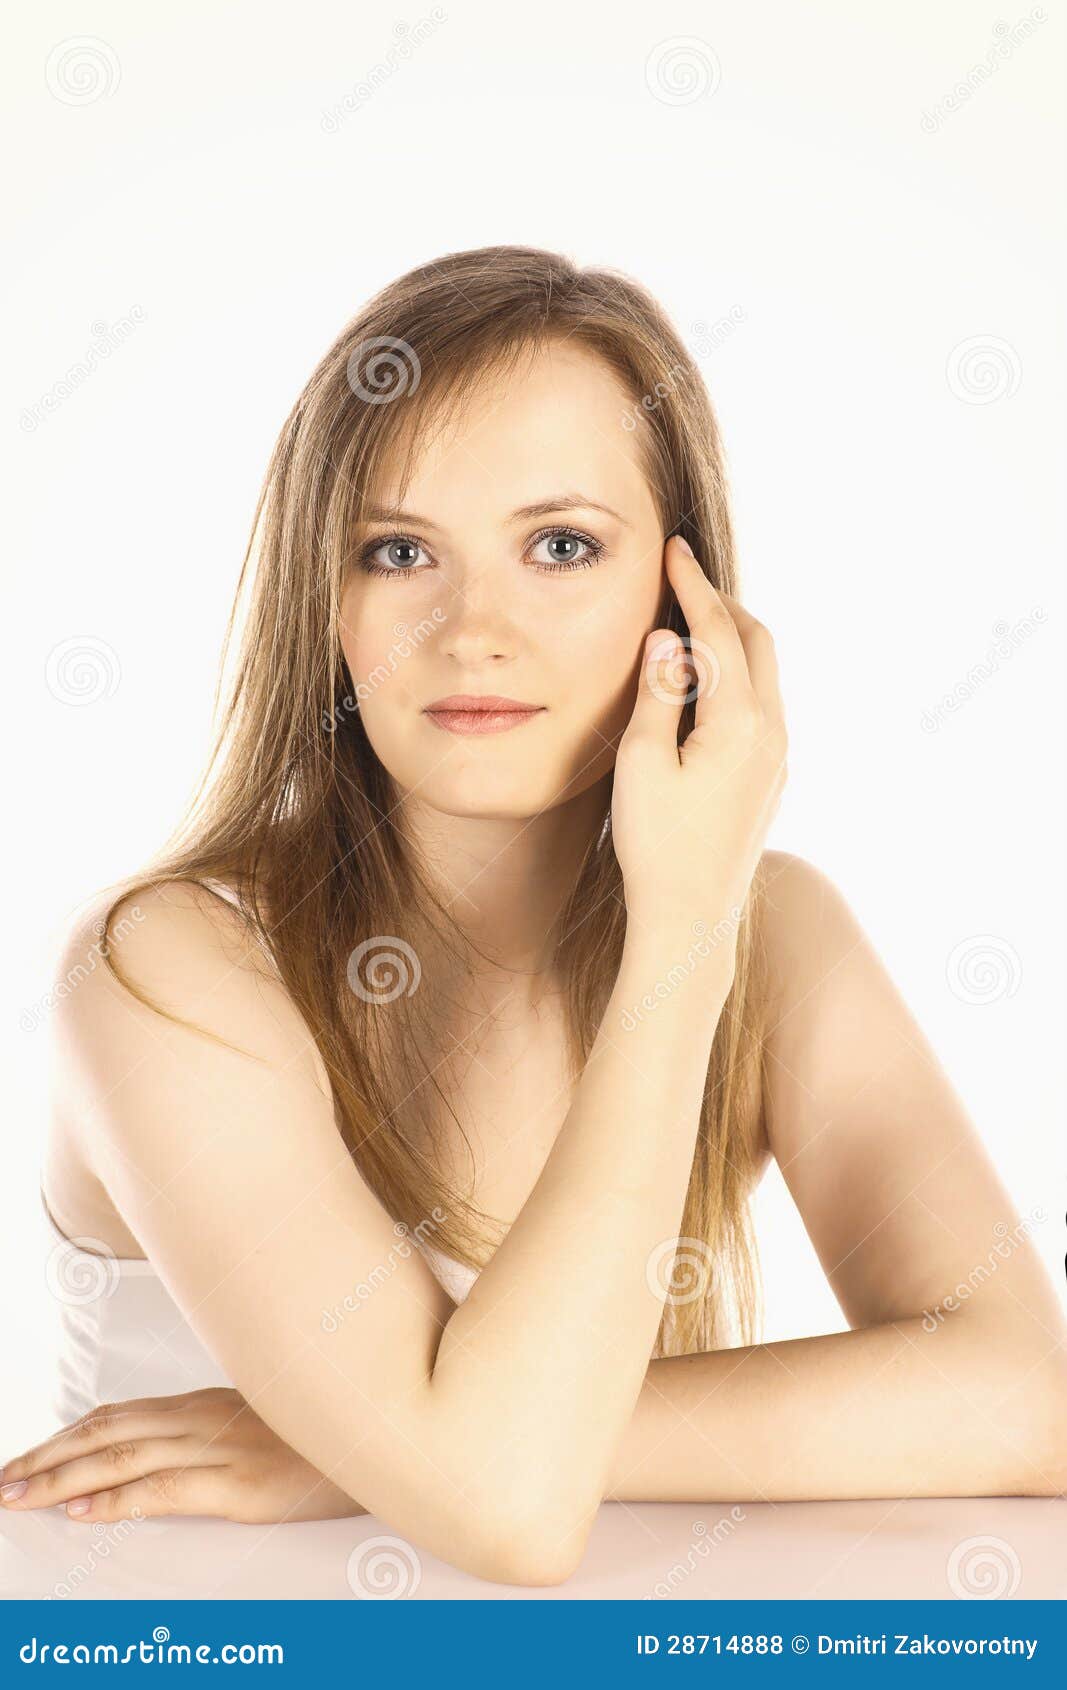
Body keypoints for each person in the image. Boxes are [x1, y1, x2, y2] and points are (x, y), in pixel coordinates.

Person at [5, 247, 1064, 1586]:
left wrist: (359, 1448)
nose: (471, 628)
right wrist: (434, 1444)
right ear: (321, 603)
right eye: (398, 551)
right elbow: (508, 1503)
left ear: (688, 603)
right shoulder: (164, 968)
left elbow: (1027, 1397)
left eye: (561, 546)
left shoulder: (775, 934)